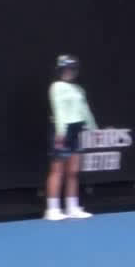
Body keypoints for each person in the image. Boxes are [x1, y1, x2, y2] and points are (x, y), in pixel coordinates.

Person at [45, 54, 95, 221]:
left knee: (73, 171)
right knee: (57, 171)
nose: (69, 72)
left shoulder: (79, 89)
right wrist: (60, 132)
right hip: (61, 131)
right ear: (59, 70)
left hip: (75, 131)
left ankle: (72, 207)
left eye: (72, 69)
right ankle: (52, 209)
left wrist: (93, 128)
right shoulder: (56, 87)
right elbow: (58, 110)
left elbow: (85, 110)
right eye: (66, 69)